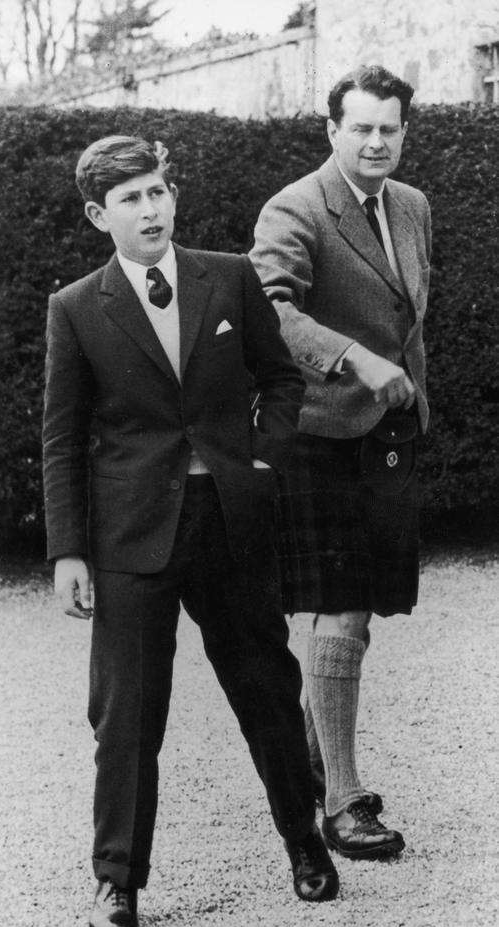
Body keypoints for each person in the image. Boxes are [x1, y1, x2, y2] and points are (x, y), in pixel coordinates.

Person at [42, 134, 340, 927]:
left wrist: (261, 462)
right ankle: (116, 882)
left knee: (267, 690)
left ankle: (305, 843)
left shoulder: (231, 276)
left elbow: (281, 380)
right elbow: (63, 438)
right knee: (128, 714)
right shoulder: (75, 308)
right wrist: (70, 550)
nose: (150, 208)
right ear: (101, 215)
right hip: (132, 535)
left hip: (231, 523)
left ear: (173, 196)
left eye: (157, 191)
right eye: (131, 198)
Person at [249, 65, 431, 861]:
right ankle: (343, 802)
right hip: (317, 433)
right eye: (361, 127)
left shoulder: (414, 206)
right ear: (332, 131)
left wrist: (410, 396)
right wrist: (353, 358)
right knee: (342, 610)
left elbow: (405, 314)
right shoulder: (296, 207)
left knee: (361, 616)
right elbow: (268, 308)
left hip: (387, 434)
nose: (376, 141)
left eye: (389, 127)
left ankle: (322, 766)